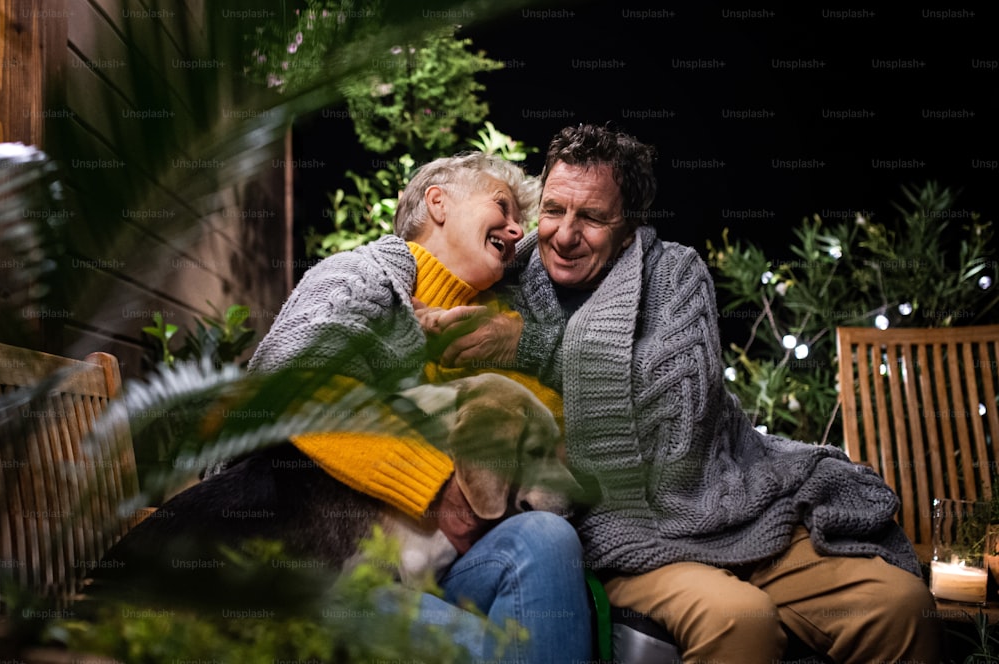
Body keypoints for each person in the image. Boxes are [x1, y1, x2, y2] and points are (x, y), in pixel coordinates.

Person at [422, 124, 944, 663]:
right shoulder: (504, 278)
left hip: (730, 501)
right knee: (741, 620)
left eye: (593, 218)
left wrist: (533, 349)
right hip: (623, 534)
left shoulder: (673, 273)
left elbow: (676, 417)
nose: (565, 234)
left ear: (629, 228)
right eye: (554, 209)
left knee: (901, 605)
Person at [247, 151, 592, 663]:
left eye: (521, 222)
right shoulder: (361, 276)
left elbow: (563, 429)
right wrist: (434, 486)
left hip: (442, 564)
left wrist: (521, 346)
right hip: (322, 559)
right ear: (438, 203)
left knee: (546, 536)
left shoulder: (498, 325)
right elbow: (291, 386)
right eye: (503, 207)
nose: (517, 231)